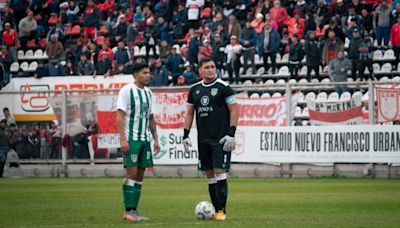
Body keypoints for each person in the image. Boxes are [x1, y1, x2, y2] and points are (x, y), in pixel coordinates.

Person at [182, 58, 239, 221]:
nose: (211, 70)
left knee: (219, 171)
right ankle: (214, 210)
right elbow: (189, 112)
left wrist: (231, 133)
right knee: (209, 174)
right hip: (203, 140)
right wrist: (185, 134)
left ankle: (222, 210)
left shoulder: (224, 88)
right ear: (199, 70)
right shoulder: (194, 90)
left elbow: (234, 111)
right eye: (207, 67)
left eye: (213, 67)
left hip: (220, 139)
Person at [116, 62, 160, 222]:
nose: (148, 75)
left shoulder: (148, 93)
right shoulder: (126, 90)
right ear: (135, 75)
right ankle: (128, 211)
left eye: (149, 72)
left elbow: (150, 118)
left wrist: (155, 139)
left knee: (140, 175)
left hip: (144, 140)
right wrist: (123, 139)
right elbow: (120, 115)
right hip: (131, 139)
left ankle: (134, 211)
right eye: (144, 72)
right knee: (131, 173)